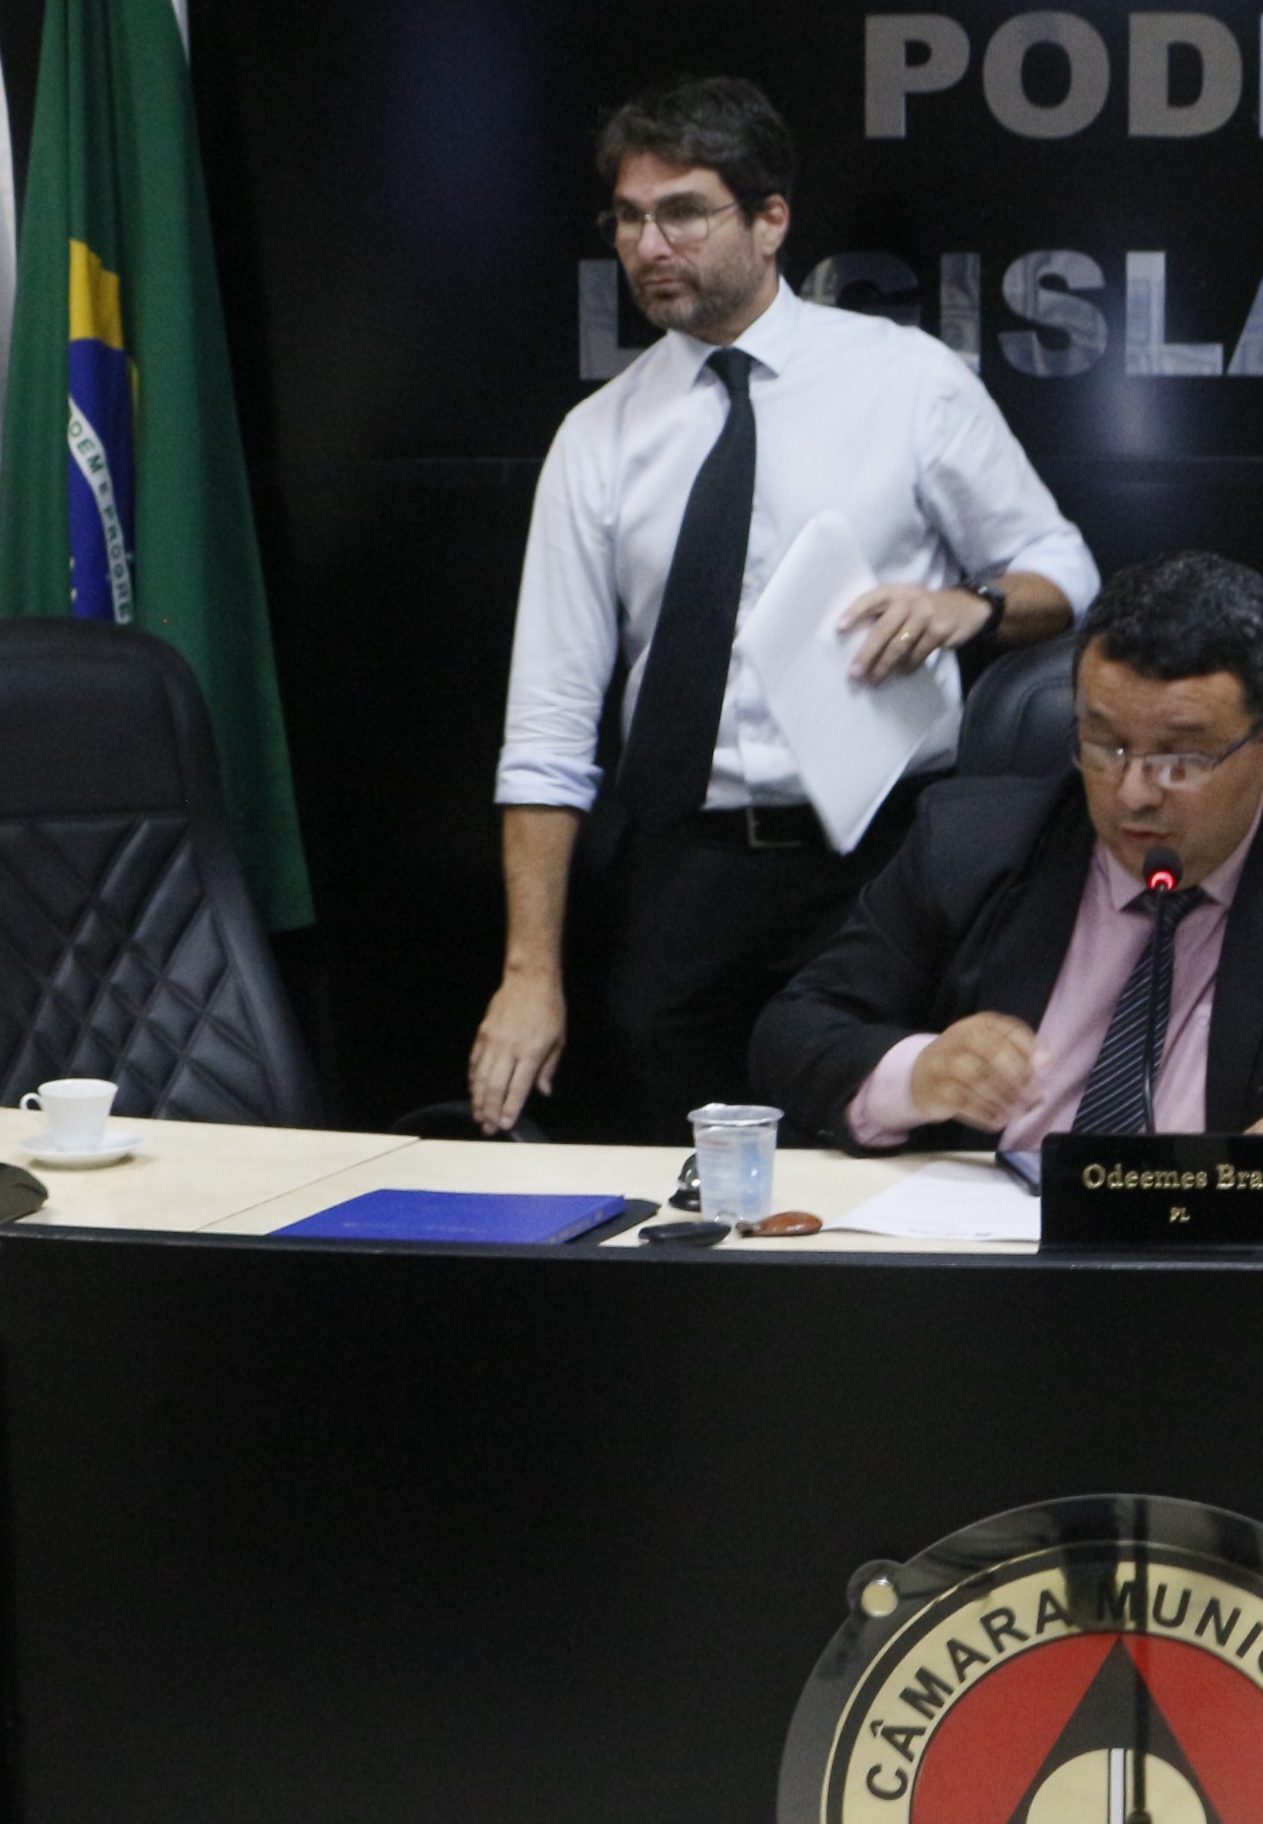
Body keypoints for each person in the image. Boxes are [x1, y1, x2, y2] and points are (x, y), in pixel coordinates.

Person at [471, 75, 1099, 1136]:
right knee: (685, 1168)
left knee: (887, 1155)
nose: (648, 246)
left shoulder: (905, 382)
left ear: (770, 221)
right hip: (685, 874)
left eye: (682, 212)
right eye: (627, 217)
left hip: (884, 861)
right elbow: (546, 730)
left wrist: (970, 608)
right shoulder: (598, 437)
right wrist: (528, 974)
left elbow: (1063, 569)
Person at [753, 550, 1263, 1220]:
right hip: (1002, 1258)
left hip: (1239, 1269)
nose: (1133, 794)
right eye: (1105, 745)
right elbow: (795, 1028)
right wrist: (918, 1073)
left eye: (1181, 758)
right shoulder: (968, 843)